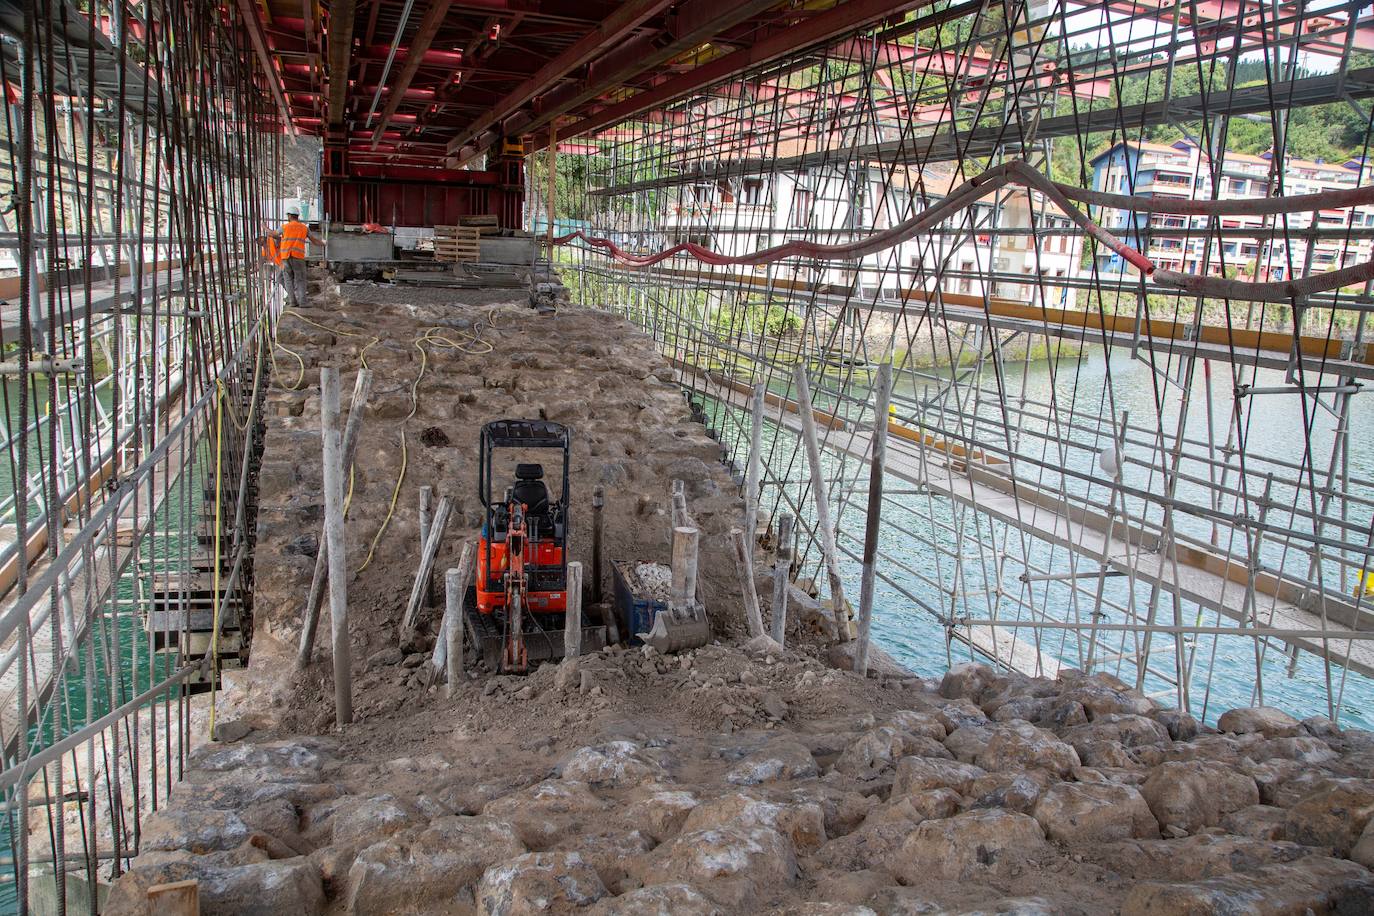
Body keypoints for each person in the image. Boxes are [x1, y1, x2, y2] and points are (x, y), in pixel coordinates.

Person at [270, 208, 325, 308]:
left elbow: (273, 234)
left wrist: (265, 228)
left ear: (290, 216)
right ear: (297, 216)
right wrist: (323, 243)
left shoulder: (284, 227)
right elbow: (314, 241)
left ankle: (293, 302)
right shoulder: (304, 228)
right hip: (298, 257)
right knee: (300, 280)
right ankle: (303, 302)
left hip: (286, 257)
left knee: (288, 280)